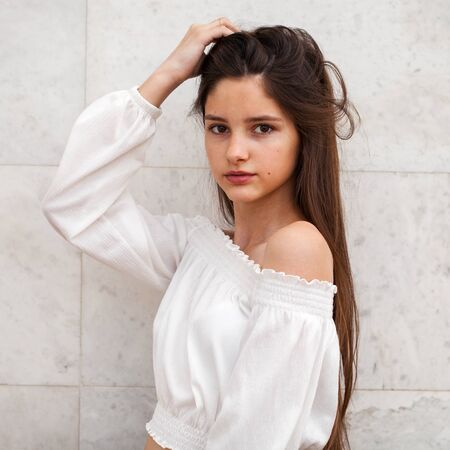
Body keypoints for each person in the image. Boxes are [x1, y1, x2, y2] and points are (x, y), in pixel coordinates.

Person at [41, 17, 360, 450]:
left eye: (262, 128)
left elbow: (256, 437)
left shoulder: (296, 248)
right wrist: (168, 75)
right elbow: (75, 205)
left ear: (304, 137)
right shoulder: (200, 250)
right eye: (218, 127)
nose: (236, 151)